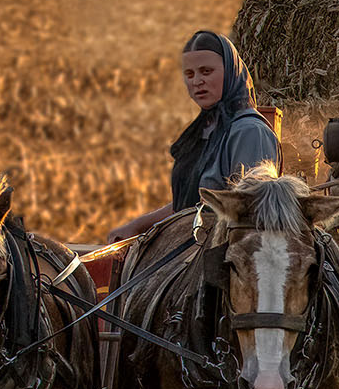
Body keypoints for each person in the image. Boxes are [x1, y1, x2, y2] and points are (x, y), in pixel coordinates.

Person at [105, 30, 280, 243]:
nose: (197, 81)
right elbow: (188, 207)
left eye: (206, 71)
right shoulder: (205, 131)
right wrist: (136, 227)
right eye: (190, 74)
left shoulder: (249, 132)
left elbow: (254, 218)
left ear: (231, 72)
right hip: (188, 249)